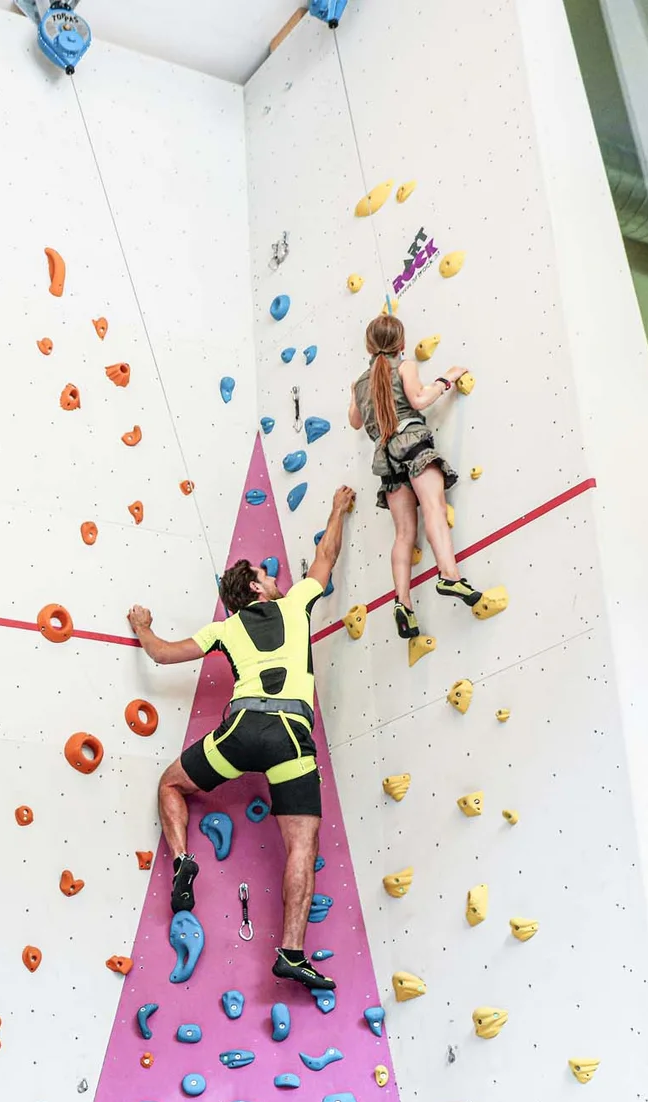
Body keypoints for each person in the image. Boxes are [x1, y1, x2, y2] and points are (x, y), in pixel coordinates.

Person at [125, 486, 355, 991]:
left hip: (243, 727)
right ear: (255, 589)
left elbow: (163, 654)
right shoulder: (296, 605)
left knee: (171, 785)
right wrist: (337, 509)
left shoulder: (225, 630)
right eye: (265, 575)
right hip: (292, 734)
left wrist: (143, 627)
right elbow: (325, 556)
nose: (274, 578)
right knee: (302, 844)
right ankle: (292, 953)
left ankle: (185, 860)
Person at [347, 313, 481, 638]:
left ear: (368, 345)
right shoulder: (405, 366)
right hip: (411, 441)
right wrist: (446, 379)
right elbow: (419, 399)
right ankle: (449, 575)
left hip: (385, 457)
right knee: (434, 508)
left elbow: (354, 421)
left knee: (404, 532)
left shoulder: (359, 383)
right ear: (402, 344)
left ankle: (403, 603)